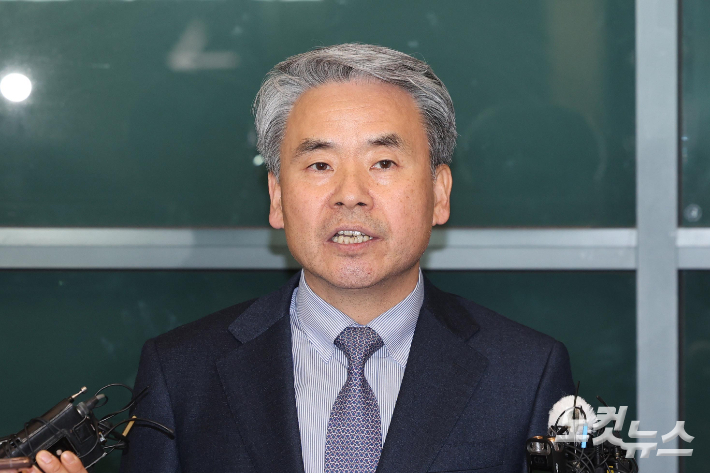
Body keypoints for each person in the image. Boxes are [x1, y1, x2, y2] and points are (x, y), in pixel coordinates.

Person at [20, 43, 574, 473]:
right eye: (319, 165)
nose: (350, 194)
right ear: (278, 198)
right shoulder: (182, 370)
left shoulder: (527, 371)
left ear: (440, 193)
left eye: (383, 163)